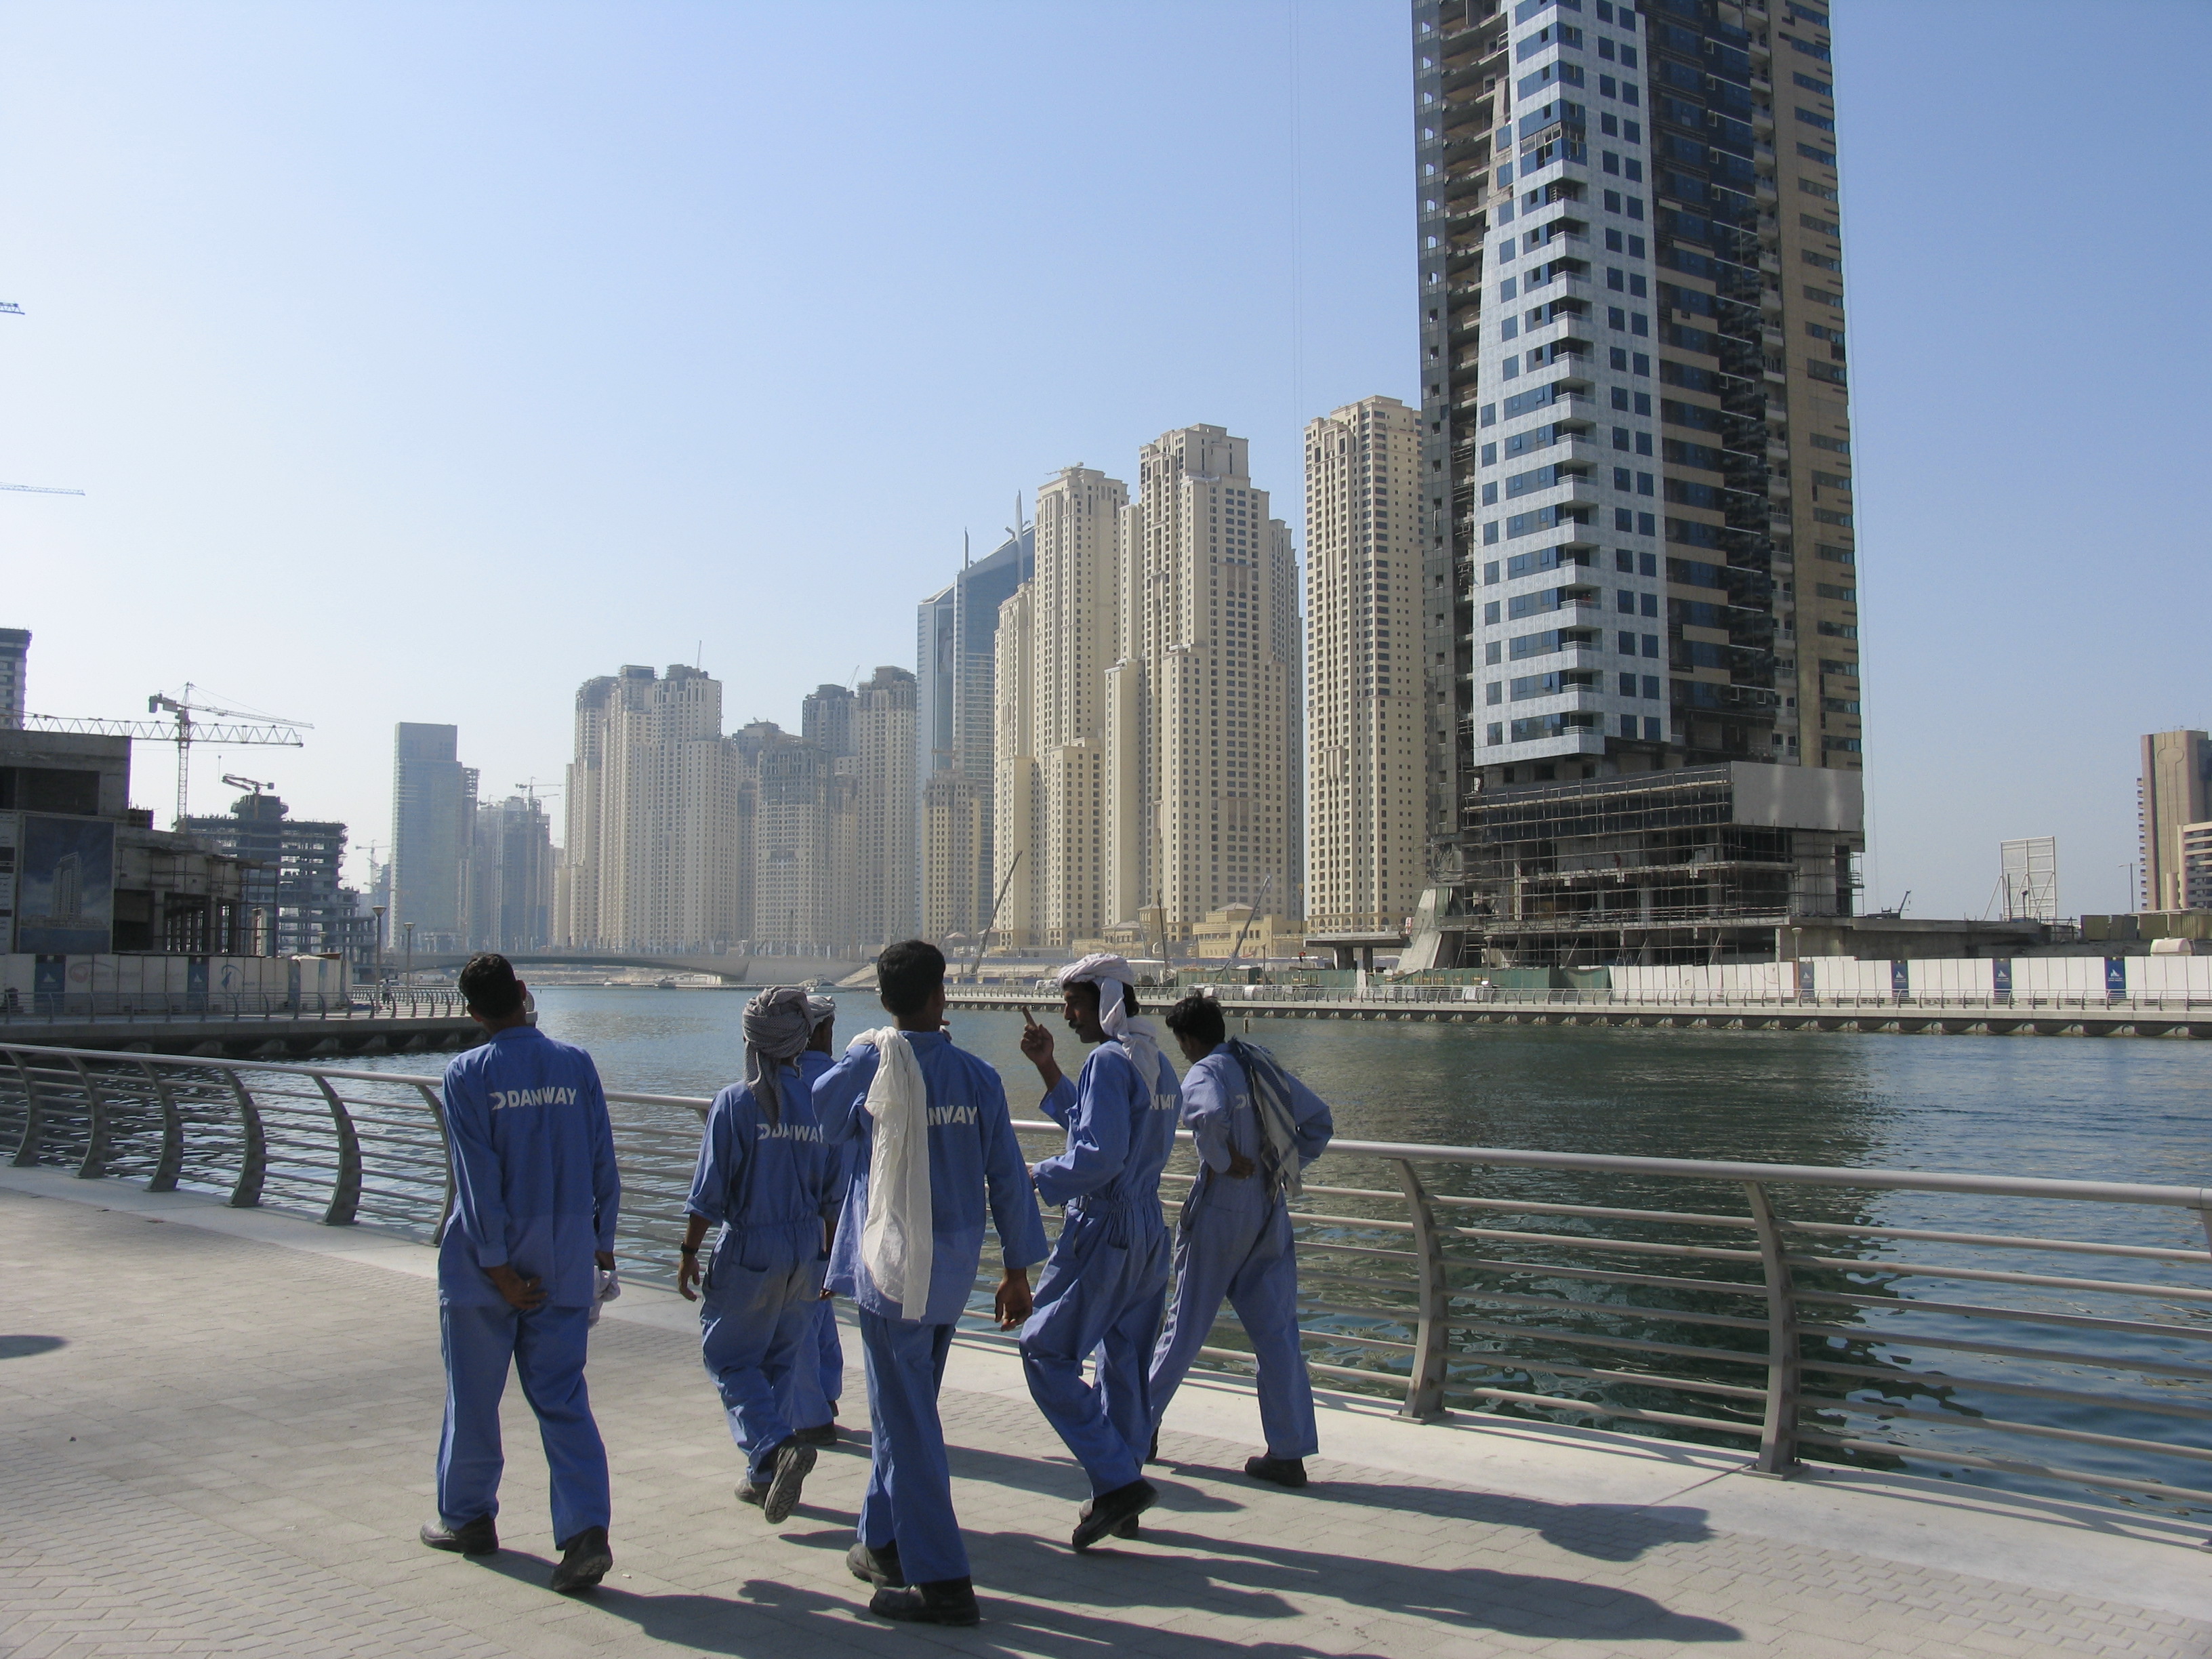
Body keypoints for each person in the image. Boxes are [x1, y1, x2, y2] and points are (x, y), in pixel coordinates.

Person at [814, 939, 1047, 1627]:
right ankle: (880, 1540)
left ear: (883, 1001)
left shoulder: (869, 1061)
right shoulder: (976, 1078)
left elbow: (822, 1121)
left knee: (908, 1420)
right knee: (905, 1410)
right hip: (950, 1271)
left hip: (891, 1269)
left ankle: (943, 1580)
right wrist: (1015, 1272)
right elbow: (1007, 1177)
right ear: (941, 995)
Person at [419, 953, 619, 1595]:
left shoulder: (467, 1075)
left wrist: (498, 1266)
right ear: (525, 993)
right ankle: (586, 1532)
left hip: (487, 1267)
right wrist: (603, 1247)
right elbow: (603, 1164)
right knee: (563, 1400)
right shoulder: (576, 1065)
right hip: (565, 1256)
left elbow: (477, 1179)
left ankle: (469, 1518)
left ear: (473, 1012)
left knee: (474, 1398)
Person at [1015, 954, 1183, 1551]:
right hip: (1146, 1229)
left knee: (1044, 1351)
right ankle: (1125, 1486)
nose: (1066, 1016)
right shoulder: (1156, 1064)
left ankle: (1115, 1481)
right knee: (1125, 1366)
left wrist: (1033, 1176)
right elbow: (1107, 1132)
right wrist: (1049, 1069)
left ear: (1103, 1002)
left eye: (1073, 1005)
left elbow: (1097, 1155)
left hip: (1104, 1229)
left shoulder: (1108, 1063)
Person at [1147, 991, 1334, 1488]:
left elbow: (1204, 1116)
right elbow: (1319, 1121)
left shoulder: (1206, 1072)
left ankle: (1137, 1427)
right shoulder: (1257, 1063)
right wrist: (1283, 1163)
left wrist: (1224, 1160)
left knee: (1184, 1326)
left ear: (1187, 1039)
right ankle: (1289, 1452)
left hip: (1222, 1210)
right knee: (1277, 1334)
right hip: (1269, 1206)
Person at [676, 987, 840, 1525]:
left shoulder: (735, 1102)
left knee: (728, 1356)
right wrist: (828, 1261)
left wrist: (688, 1252)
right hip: (807, 1250)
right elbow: (834, 1194)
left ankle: (772, 1446)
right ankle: (762, 1475)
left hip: (752, 1247)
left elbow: (709, 1193)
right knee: (780, 1363)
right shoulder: (821, 1099)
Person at [794, 990, 846, 1446]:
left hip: (797, 1223)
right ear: (824, 1031)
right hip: (842, 1221)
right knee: (820, 1313)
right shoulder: (845, 1083)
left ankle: (812, 1413)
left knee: (800, 1321)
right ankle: (825, 1397)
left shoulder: (781, 1082)